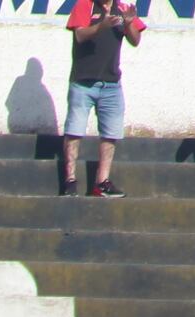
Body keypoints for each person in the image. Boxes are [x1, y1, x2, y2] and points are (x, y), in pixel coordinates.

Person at [60, 0, 143, 197]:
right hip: (83, 81)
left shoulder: (122, 8)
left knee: (110, 133)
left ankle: (102, 182)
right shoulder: (85, 5)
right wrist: (101, 26)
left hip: (111, 83)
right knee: (74, 131)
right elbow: (80, 35)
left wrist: (130, 23)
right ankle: (70, 180)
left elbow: (135, 40)